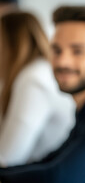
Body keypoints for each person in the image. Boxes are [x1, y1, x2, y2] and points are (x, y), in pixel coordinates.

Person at [0, 6, 85, 183]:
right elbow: (51, 162)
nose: (62, 62)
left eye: (77, 51)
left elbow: (56, 179)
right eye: (56, 50)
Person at [0, 12, 75, 166]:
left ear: (12, 45)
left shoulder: (33, 80)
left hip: (41, 179)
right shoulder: (34, 72)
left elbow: (8, 157)